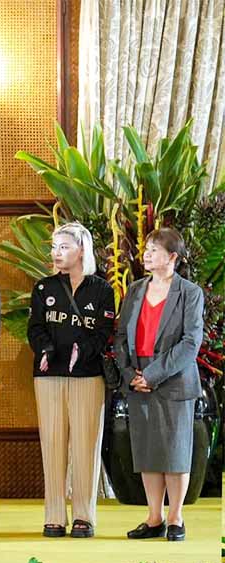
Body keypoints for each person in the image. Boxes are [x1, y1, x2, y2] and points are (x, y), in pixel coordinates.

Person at [114, 228, 204, 542]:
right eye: (146, 249)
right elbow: (121, 336)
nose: (147, 254)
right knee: (148, 452)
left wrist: (152, 375)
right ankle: (154, 518)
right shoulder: (135, 289)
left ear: (173, 257)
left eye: (154, 249)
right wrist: (130, 374)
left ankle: (176, 517)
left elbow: (190, 343)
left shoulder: (190, 292)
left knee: (174, 452)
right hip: (138, 377)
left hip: (173, 379)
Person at [28, 222, 115, 539]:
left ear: (81, 251)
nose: (56, 253)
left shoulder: (102, 290)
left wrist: (83, 350)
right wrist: (46, 349)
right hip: (48, 375)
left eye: (63, 247)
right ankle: (54, 515)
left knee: (85, 445)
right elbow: (35, 328)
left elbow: (104, 332)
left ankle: (83, 516)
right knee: (52, 444)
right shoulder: (43, 288)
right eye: (54, 247)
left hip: (87, 376)